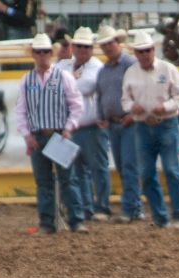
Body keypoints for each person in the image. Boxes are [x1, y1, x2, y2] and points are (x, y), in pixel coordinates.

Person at [17, 32, 84, 234]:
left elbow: (76, 105)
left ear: (51, 53)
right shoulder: (26, 80)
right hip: (38, 136)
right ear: (34, 54)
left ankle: (76, 220)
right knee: (44, 182)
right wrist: (27, 135)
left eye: (45, 51)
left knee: (68, 180)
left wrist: (68, 128)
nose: (42, 55)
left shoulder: (63, 77)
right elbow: (21, 110)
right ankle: (47, 223)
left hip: (58, 134)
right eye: (39, 51)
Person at [122, 31, 179, 229]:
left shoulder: (168, 69)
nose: (145, 54)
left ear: (153, 50)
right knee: (146, 173)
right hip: (142, 126)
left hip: (166, 123)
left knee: (171, 170)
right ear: (136, 53)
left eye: (148, 50)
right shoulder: (131, 73)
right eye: (141, 51)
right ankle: (161, 217)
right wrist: (131, 107)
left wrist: (166, 106)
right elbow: (125, 99)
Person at [56, 26, 108, 225]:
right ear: (73, 46)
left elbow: (87, 86)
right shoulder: (64, 65)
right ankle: (86, 208)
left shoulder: (96, 66)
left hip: (91, 125)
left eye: (86, 46)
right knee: (77, 172)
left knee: (97, 169)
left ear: (91, 49)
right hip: (70, 128)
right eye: (78, 46)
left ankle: (101, 207)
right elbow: (54, 85)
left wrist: (65, 86)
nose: (82, 50)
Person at [95, 24, 143, 224]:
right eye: (105, 44)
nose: (107, 47)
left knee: (129, 166)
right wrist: (101, 115)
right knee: (125, 167)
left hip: (129, 122)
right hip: (114, 123)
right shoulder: (104, 69)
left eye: (110, 43)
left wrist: (133, 113)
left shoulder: (130, 64)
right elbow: (101, 95)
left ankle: (129, 208)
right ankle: (134, 208)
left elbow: (140, 91)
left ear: (118, 43)